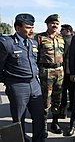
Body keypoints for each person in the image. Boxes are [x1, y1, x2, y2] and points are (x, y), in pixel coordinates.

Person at [0, 13, 45, 142]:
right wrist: (9, 81)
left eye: (32, 27)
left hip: (34, 85)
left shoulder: (33, 43)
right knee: (19, 120)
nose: (32, 30)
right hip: (18, 86)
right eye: (28, 27)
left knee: (39, 117)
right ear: (17, 28)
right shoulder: (7, 44)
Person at [35, 14, 64, 136]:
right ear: (47, 24)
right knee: (46, 100)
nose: (55, 25)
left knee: (57, 99)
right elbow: (34, 57)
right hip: (46, 72)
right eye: (52, 23)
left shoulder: (61, 38)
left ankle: (55, 122)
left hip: (59, 71)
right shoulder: (40, 38)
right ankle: (44, 126)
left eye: (57, 24)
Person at [58, 24, 74, 119]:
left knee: (63, 93)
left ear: (68, 30)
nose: (61, 31)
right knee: (72, 92)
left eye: (62, 29)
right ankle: (72, 108)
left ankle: (62, 112)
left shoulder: (62, 40)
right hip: (72, 71)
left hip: (63, 70)